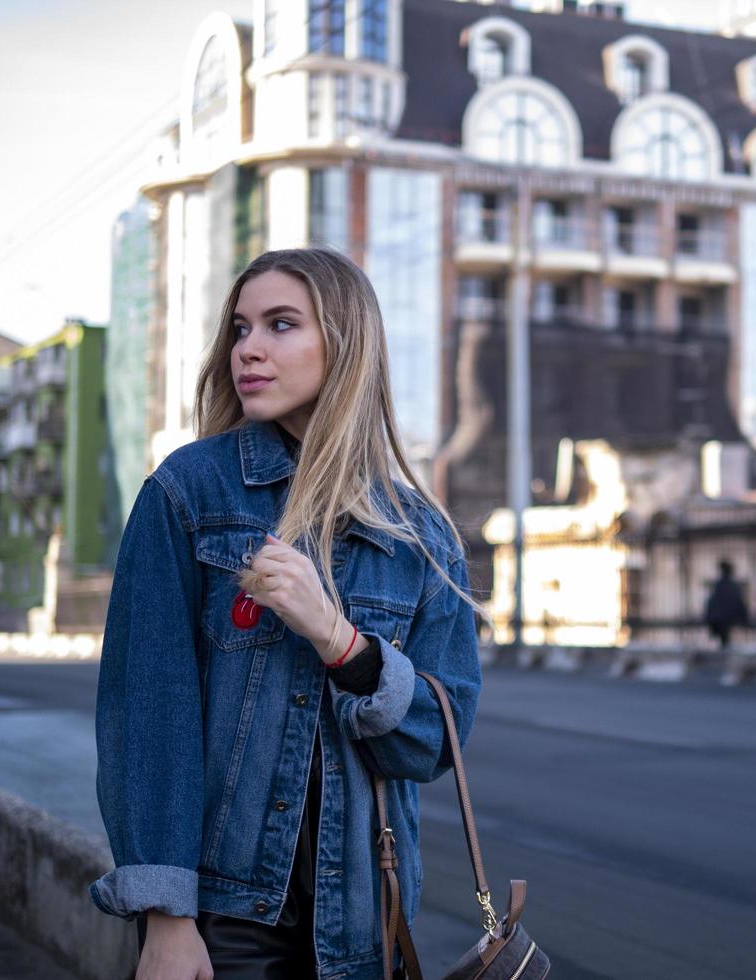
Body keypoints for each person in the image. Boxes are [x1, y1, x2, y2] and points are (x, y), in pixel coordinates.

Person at [89, 248, 482, 980]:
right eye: (240, 329)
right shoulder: (189, 494)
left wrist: (340, 641)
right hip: (224, 921)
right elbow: (149, 717)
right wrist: (167, 919)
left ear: (345, 343)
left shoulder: (419, 538)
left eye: (280, 324)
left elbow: (434, 745)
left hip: (366, 924)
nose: (249, 350)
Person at [704, 560, 749, 650]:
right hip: (724, 618)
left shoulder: (723, 585)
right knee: (724, 641)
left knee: (725, 641)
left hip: (723, 618)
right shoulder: (727, 585)